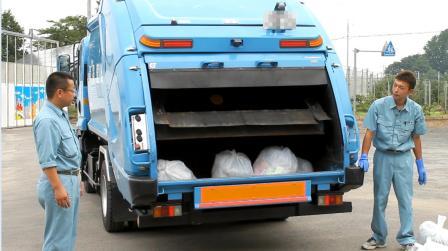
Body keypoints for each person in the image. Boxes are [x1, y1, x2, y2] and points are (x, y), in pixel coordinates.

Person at [358, 70, 427, 251]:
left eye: (401, 87)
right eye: (395, 85)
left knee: (405, 200)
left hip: (404, 159)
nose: (396, 89)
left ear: (410, 91)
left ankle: (407, 238)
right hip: (383, 158)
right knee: (380, 199)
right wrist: (364, 155)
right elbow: (370, 132)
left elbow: (416, 138)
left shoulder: (416, 110)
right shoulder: (378, 106)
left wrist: (420, 164)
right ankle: (378, 237)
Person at [33, 72, 82, 251]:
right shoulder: (47, 120)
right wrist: (58, 187)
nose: (74, 94)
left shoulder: (60, 115)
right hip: (59, 182)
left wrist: (77, 179)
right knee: (57, 242)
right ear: (59, 92)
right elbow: (47, 160)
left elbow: (69, 153)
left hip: (68, 179)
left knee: (67, 235)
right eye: (72, 91)